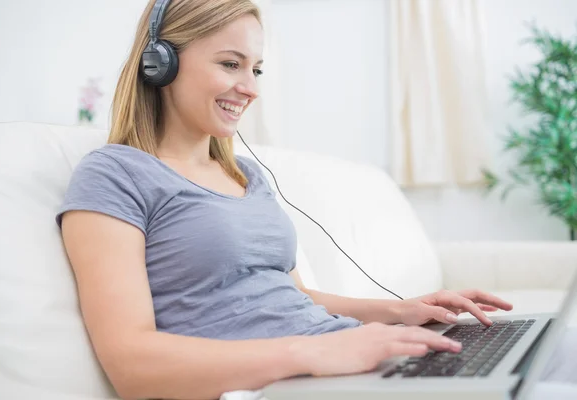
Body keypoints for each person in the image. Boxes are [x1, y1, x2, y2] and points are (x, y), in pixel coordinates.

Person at [55, 1, 518, 399]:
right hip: (276, 382)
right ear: (161, 64)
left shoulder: (246, 174)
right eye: (230, 64)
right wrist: (316, 352)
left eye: (255, 69)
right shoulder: (114, 174)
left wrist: (402, 311)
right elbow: (130, 363)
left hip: (336, 366)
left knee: (538, 364)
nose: (251, 88)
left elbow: (294, 296)